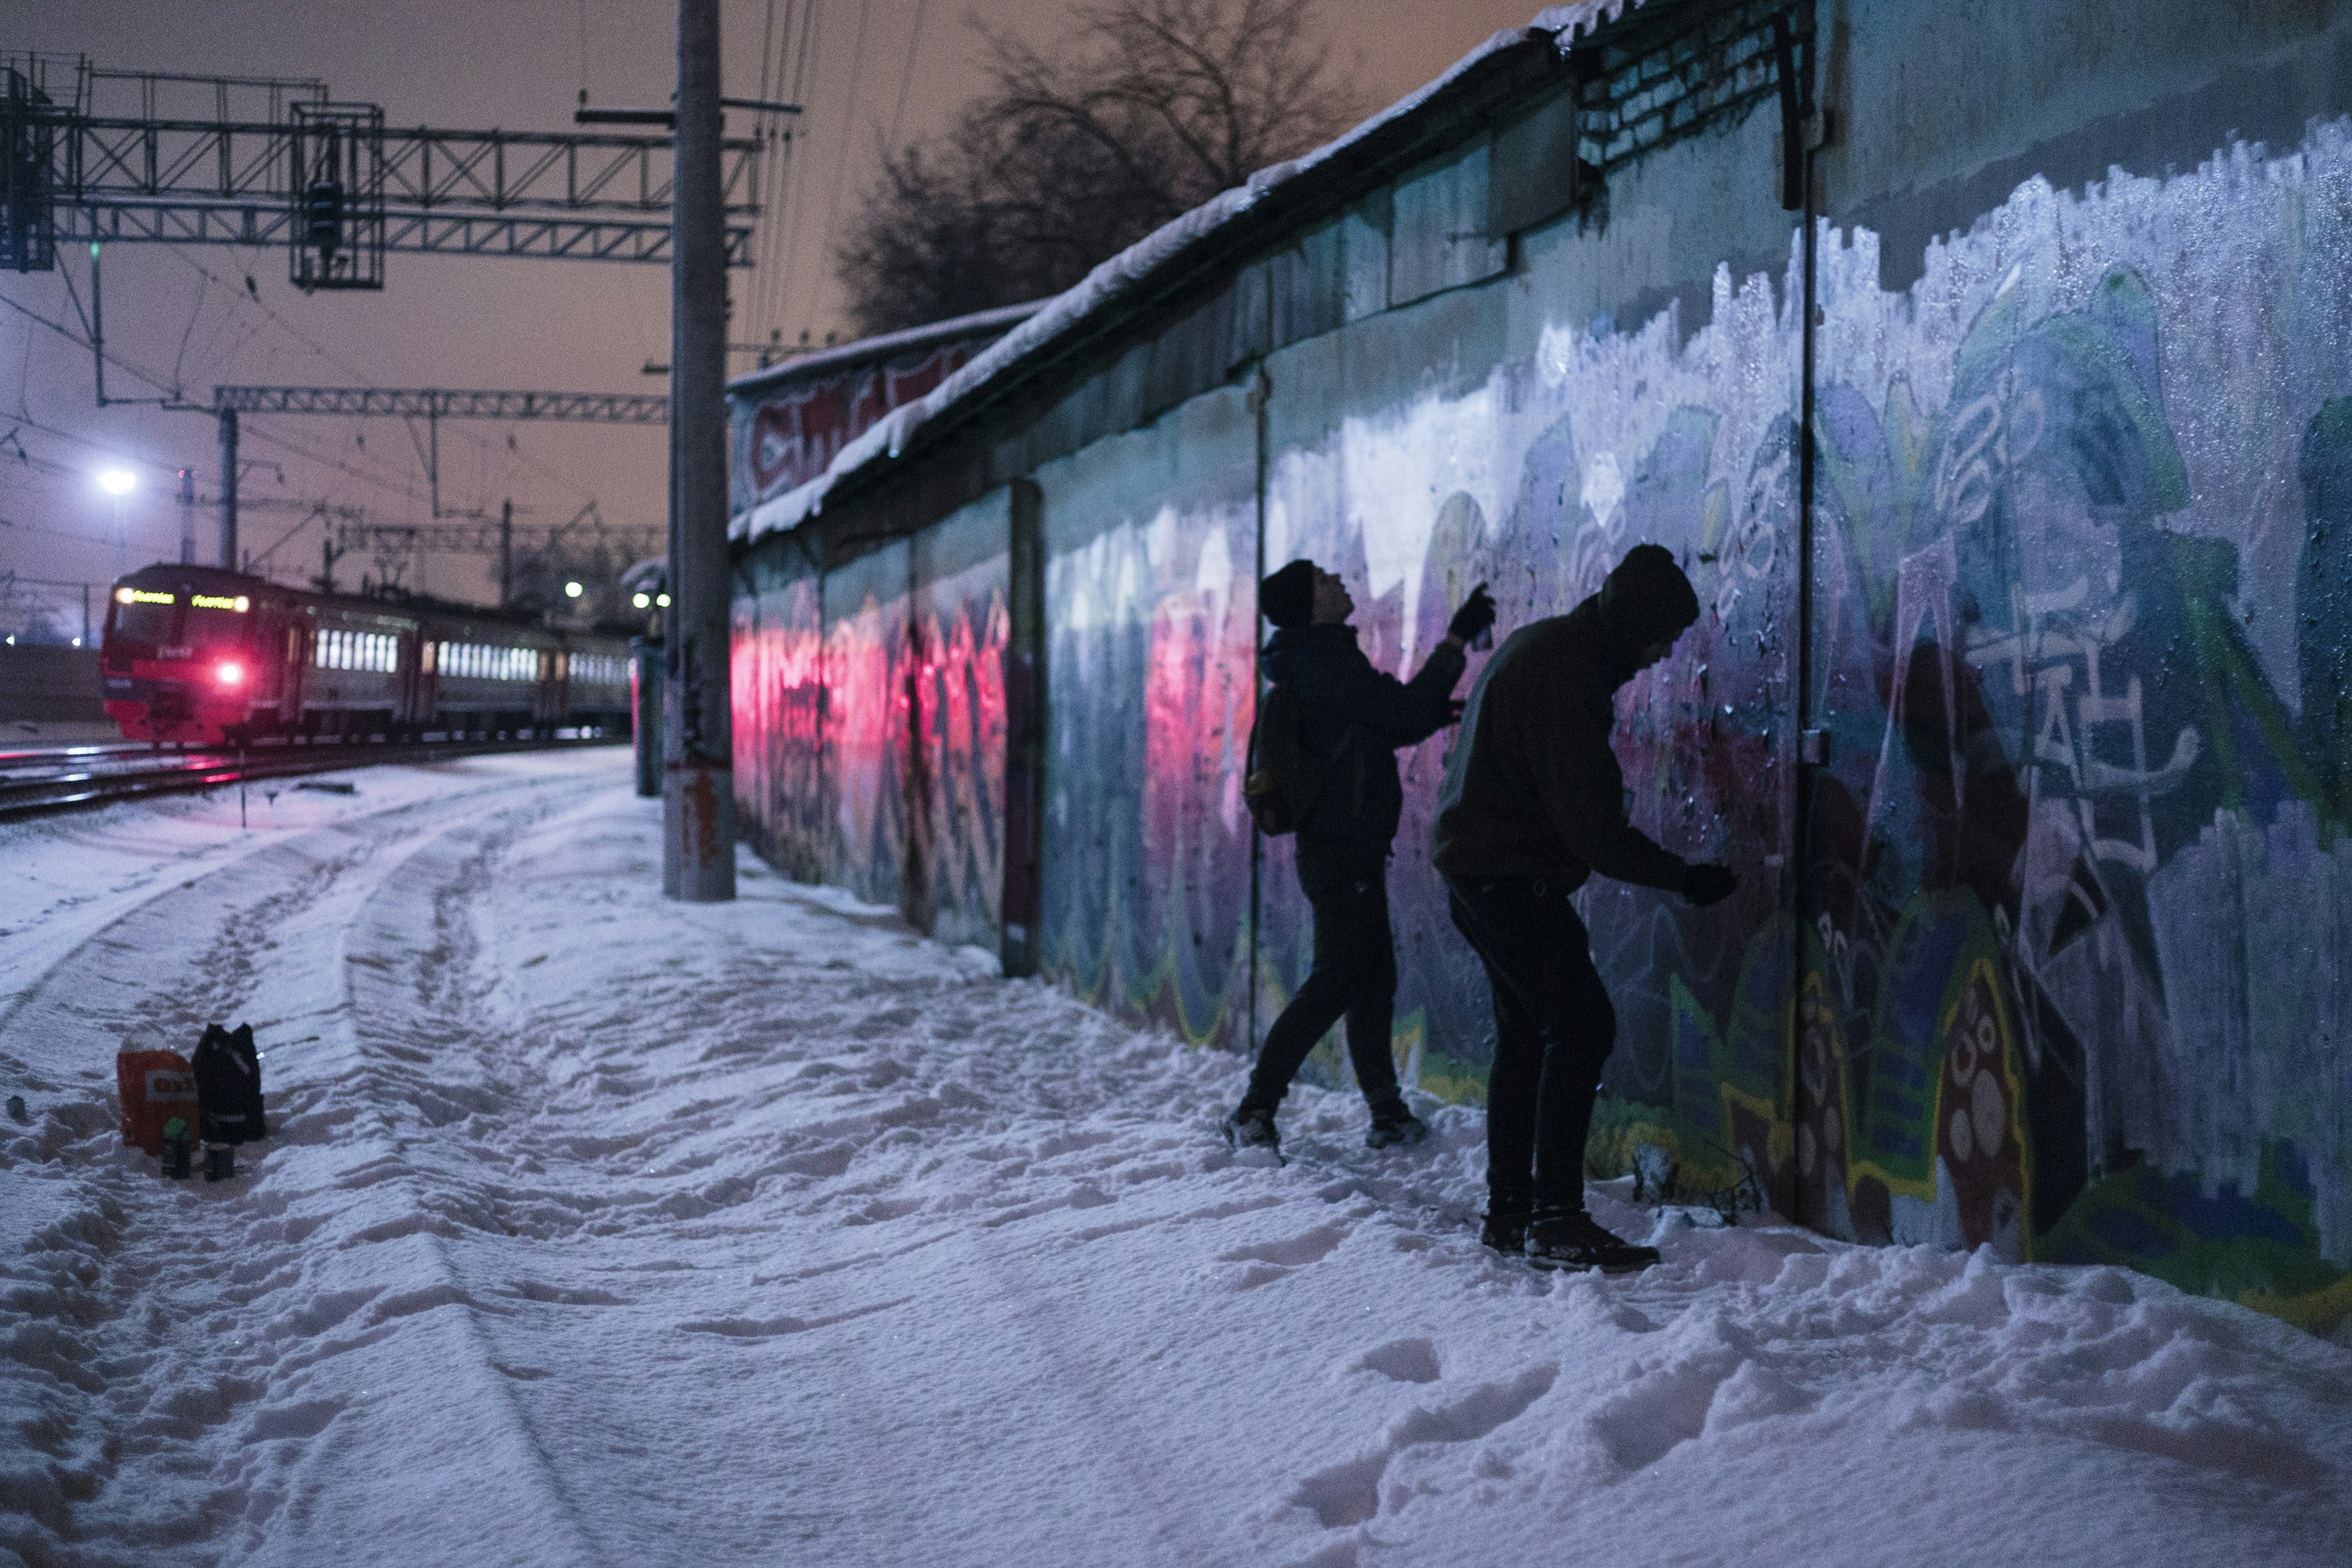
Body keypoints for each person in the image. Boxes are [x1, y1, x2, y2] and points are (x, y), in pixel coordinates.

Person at [1432, 544, 1737, 1272]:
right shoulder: (1568, 676)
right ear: (1634, 627)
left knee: (1529, 1037)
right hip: (1508, 877)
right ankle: (1557, 1220)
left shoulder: (1550, 648)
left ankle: (1513, 1213)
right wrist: (1684, 878)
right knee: (1582, 1025)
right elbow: (1592, 829)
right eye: (1661, 638)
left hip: (1480, 871)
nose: (1663, 655)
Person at [1224, 559, 1495, 1156]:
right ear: (1309, 606)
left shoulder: (1318, 662)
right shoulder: (1324, 661)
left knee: (1372, 980)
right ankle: (1255, 1108)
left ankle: (1388, 1114)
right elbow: (1399, 713)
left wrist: (1436, 696)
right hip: (1342, 852)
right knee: (1340, 977)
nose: (1340, 582)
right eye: (1325, 582)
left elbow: (1385, 724)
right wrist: (1454, 643)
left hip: (1346, 851)